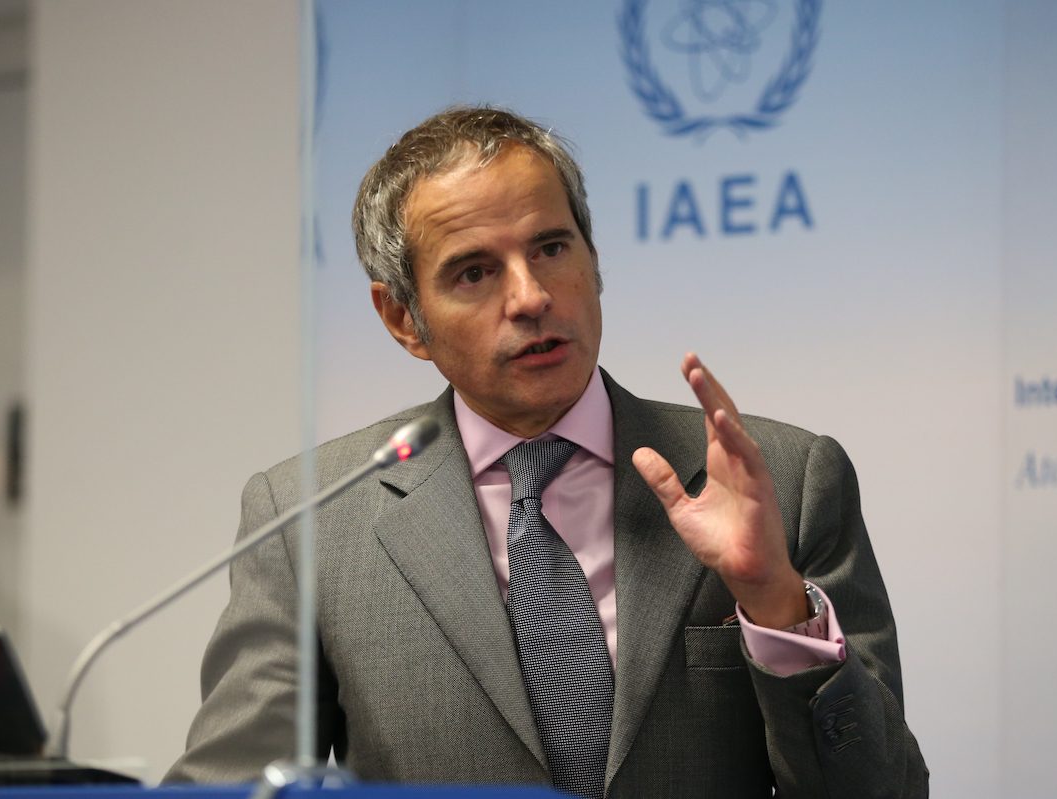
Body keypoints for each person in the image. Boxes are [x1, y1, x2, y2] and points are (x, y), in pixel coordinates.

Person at [168, 107, 928, 797]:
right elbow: (231, 787)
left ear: (593, 261)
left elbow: (884, 791)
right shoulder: (312, 521)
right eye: (475, 271)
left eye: (551, 247)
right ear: (403, 318)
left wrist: (775, 602)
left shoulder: (784, 481)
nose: (531, 296)